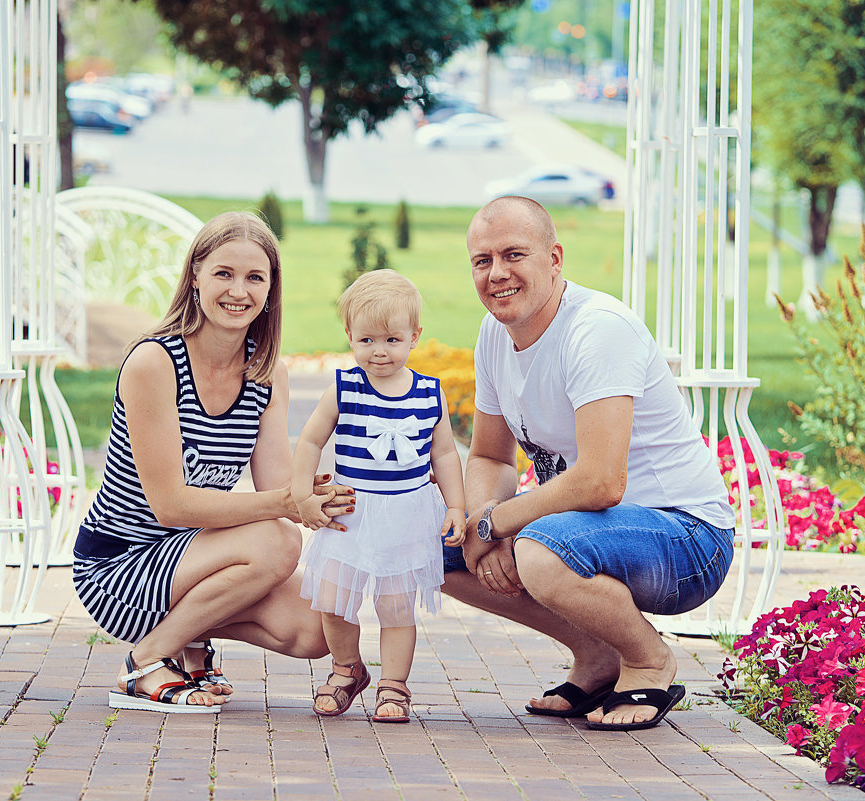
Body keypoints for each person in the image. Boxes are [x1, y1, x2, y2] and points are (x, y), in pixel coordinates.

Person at [445, 196, 736, 731]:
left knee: (539, 550)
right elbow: (489, 454)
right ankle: (600, 656)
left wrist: (496, 522)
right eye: (481, 261)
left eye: (514, 254)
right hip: (584, 531)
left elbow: (602, 482)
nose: (497, 273)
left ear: (555, 258)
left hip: (686, 537)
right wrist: (479, 520)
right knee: (433, 544)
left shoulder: (597, 328)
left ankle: (648, 659)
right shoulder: (495, 335)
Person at [73, 211, 353, 713]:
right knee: (277, 540)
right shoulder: (154, 362)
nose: (238, 291)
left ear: (271, 290)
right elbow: (171, 508)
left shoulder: (266, 374)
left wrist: (324, 494)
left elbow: (276, 488)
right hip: (119, 564)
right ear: (196, 275)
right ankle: (147, 661)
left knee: (316, 627)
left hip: (193, 556)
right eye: (223, 273)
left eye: (254, 277)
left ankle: (189, 641)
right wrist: (288, 503)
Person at [292, 270, 466, 723]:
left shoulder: (429, 392)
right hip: (351, 510)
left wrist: (456, 506)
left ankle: (394, 686)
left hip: (405, 514)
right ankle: (346, 669)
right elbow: (310, 441)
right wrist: (300, 495)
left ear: (414, 337)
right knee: (334, 599)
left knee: (395, 604)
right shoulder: (345, 386)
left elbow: (444, 452)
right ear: (350, 336)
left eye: (392, 339)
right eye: (366, 340)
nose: (380, 351)